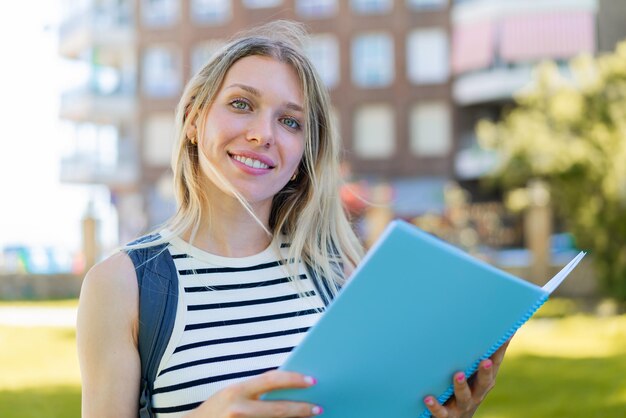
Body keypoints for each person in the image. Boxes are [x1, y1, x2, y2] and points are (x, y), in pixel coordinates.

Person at [76, 20, 508, 418]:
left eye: (289, 121)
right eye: (242, 104)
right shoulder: (123, 285)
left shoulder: (337, 273)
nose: (264, 134)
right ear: (193, 118)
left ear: (303, 154)